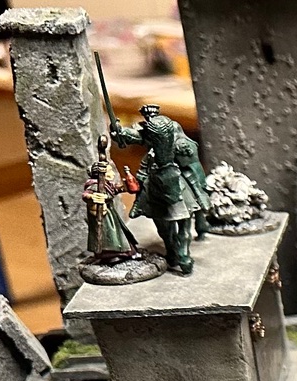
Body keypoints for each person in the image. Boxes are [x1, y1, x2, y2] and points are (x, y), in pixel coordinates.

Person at [112, 103, 210, 275]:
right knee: (146, 188)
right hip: (155, 173)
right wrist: (120, 132)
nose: (149, 119)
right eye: (147, 117)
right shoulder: (146, 130)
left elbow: (188, 154)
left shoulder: (173, 129)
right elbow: (135, 136)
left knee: (193, 183)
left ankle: (184, 251)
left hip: (174, 172)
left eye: (151, 116)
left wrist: (181, 152)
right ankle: (172, 250)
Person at [82, 135, 142, 265]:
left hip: (110, 212)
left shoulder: (107, 184)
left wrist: (127, 186)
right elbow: (86, 195)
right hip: (103, 214)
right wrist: (93, 197)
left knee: (119, 233)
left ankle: (127, 252)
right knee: (110, 235)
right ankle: (111, 255)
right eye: (109, 172)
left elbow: (116, 189)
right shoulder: (95, 185)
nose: (112, 174)